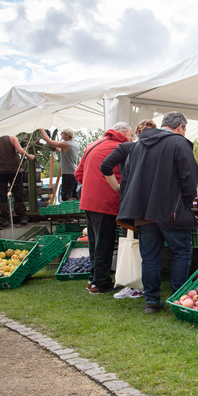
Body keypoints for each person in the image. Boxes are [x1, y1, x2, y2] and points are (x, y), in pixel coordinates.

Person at [117, 112, 198, 314]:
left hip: (142, 212)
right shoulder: (179, 143)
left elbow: (125, 180)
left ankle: (151, 301)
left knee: (150, 257)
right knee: (180, 252)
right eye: (185, 129)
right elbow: (189, 178)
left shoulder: (137, 146)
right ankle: (179, 299)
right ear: (180, 126)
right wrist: (186, 203)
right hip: (171, 210)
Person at [100, 119, 157, 300]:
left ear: (137, 133)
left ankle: (137, 285)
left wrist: (118, 187)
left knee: (136, 243)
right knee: (148, 246)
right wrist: (118, 187)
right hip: (151, 204)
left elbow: (105, 166)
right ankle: (141, 286)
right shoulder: (157, 149)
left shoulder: (127, 148)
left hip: (131, 204)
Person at [74, 122, 134, 294]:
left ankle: (93, 279)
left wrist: (92, 186)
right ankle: (100, 283)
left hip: (88, 200)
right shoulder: (122, 147)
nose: (131, 139)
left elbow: (78, 174)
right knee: (104, 243)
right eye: (130, 135)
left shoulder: (92, 145)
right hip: (107, 200)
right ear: (124, 133)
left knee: (94, 242)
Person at [0, 135, 36, 227]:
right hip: (14, 171)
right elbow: (20, 151)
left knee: (2, 195)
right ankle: (23, 218)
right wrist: (29, 156)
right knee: (18, 194)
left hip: (0, 172)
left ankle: (4, 219)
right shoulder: (12, 138)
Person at [39, 127, 80, 201]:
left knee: (66, 196)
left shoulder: (66, 144)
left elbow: (49, 142)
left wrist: (42, 130)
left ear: (67, 135)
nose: (61, 134)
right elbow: (68, 155)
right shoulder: (75, 145)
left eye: (63, 133)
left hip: (67, 174)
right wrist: (59, 150)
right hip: (74, 174)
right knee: (74, 194)